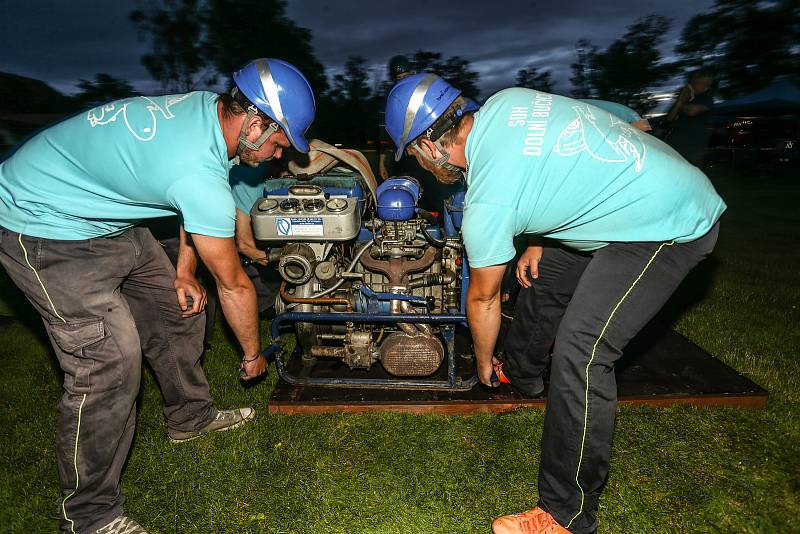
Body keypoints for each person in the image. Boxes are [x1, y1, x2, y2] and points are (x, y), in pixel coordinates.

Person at [384, 74, 725, 534]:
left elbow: (483, 297)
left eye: (416, 158)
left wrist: (481, 361)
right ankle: (521, 372)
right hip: (638, 198)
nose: (425, 168)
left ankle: (566, 513)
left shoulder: (489, 199)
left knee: (581, 353)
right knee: (543, 279)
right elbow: (593, 114)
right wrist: (541, 239)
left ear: (428, 145)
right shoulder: (508, 102)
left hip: (666, 224)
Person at [0, 58, 315, 534]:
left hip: (107, 222)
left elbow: (188, 206)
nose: (277, 154)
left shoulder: (208, 113)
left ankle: (189, 417)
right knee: (109, 361)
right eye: (277, 141)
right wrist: (253, 353)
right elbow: (233, 284)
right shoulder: (197, 170)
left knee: (178, 306)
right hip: (42, 225)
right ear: (254, 123)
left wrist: (184, 272)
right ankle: (88, 516)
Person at [500, 99, 654, 396]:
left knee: (546, 278)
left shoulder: (550, 135)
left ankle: (526, 370)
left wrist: (535, 242)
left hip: (627, 219)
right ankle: (534, 358)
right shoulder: (569, 118)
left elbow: (549, 190)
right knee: (548, 275)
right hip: (609, 212)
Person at [664, 69, 715, 167]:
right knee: (673, 168)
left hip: (695, 145)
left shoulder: (707, 96)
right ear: (693, 83)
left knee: (692, 171)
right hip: (676, 142)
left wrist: (681, 103)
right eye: (702, 83)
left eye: (709, 83)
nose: (706, 86)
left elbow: (692, 111)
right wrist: (679, 101)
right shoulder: (687, 97)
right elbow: (670, 118)